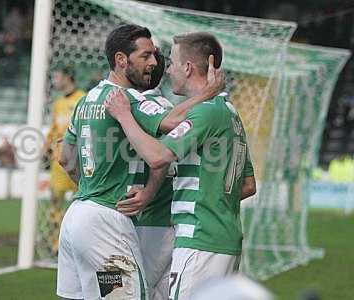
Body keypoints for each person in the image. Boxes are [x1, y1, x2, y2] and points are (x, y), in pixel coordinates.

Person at [57, 24, 223, 300]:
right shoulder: (128, 98)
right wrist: (208, 93)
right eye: (145, 56)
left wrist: (93, 186)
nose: (154, 62)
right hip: (107, 224)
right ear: (121, 60)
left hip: (77, 217)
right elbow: (171, 123)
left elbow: (65, 158)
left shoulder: (86, 100)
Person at [105, 32, 256, 300]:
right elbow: (247, 185)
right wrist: (212, 197)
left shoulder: (206, 111)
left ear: (187, 68)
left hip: (199, 239)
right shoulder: (230, 113)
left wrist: (124, 116)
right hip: (224, 239)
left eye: (173, 63)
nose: (169, 69)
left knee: (116, 287)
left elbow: (158, 156)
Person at [133, 48, 175, 300]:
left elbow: (159, 161)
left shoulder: (140, 110)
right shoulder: (169, 108)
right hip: (171, 220)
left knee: (124, 290)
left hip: (148, 222)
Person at [43, 65, 85, 255]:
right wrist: (46, 146)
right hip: (58, 160)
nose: (55, 81)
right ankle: (55, 242)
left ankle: (78, 240)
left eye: (57, 77)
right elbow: (54, 128)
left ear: (68, 77)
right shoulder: (59, 103)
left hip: (78, 161)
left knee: (82, 202)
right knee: (55, 200)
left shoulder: (83, 99)